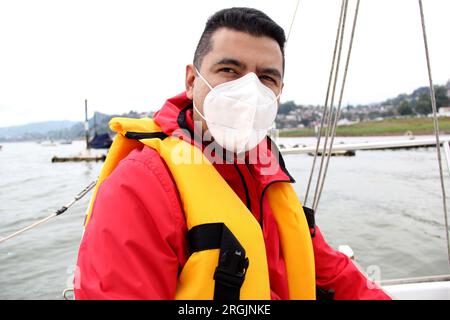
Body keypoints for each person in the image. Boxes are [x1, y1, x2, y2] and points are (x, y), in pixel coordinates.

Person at [74, 7, 391, 300]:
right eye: (229, 70)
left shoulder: (266, 172)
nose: (249, 91)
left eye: (266, 78)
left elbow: (334, 272)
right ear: (191, 80)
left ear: (279, 92)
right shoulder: (139, 188)